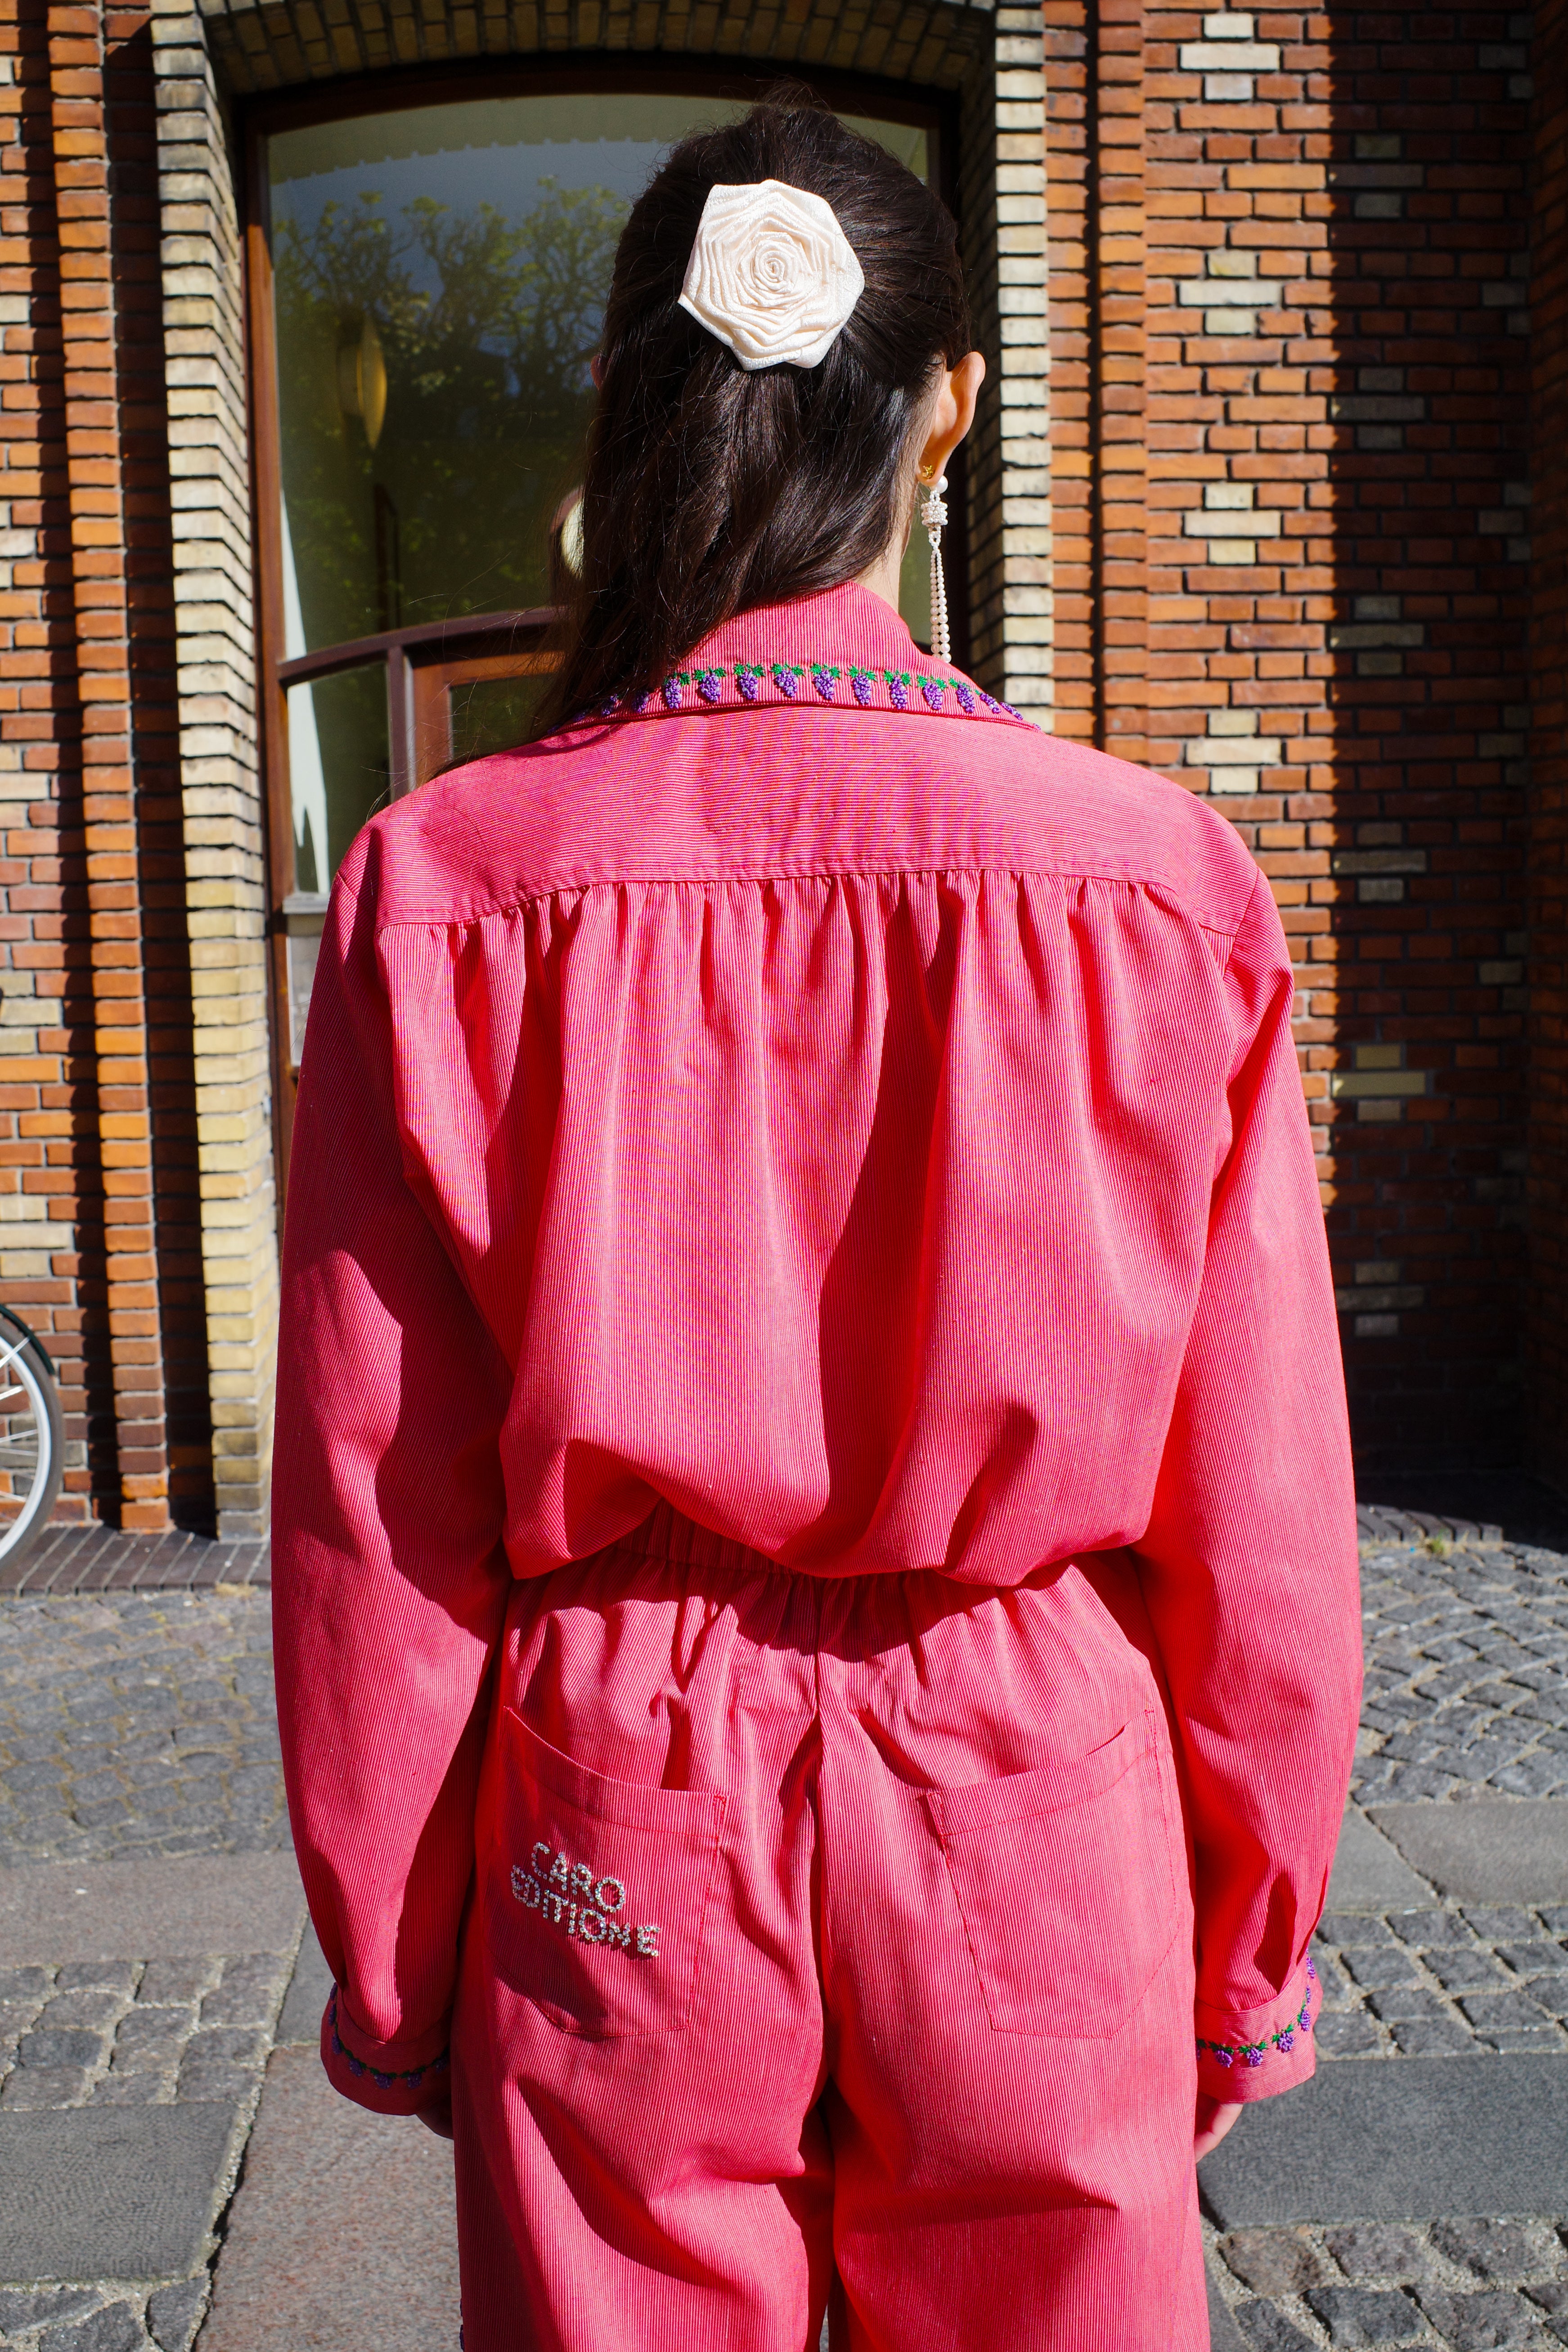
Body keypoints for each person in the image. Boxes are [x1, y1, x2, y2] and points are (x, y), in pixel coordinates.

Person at [272, 92, 1361, 2352]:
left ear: (620, 394)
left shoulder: (441, 887)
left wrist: (397, 1967)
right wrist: (1242, 1953)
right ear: (946, 407)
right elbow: (1257, 1511)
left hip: (618, 1794)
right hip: (1032, 1784)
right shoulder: (1159, 887)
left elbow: (379, 1506)